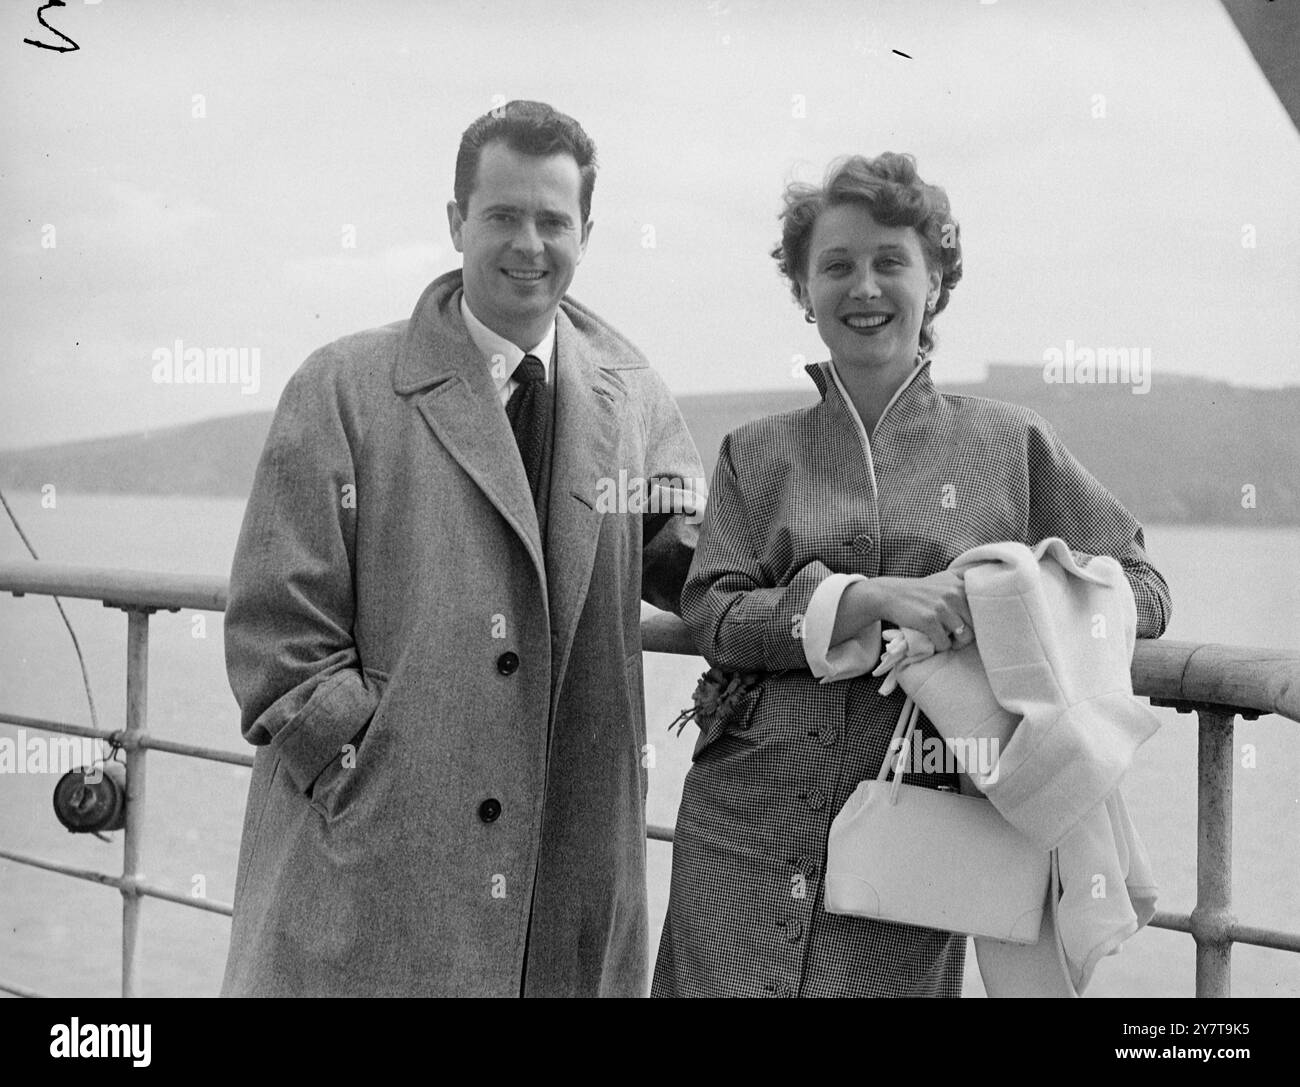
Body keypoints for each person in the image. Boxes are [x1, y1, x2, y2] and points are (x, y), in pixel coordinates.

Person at [651, 152, 1171, 998]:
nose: (865, 287)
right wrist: (865, 598)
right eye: (838, 265)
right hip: (740, 828)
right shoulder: (757, 450)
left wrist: (1009, 598)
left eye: (891, 261)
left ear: (935, 281)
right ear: (804, 289)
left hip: (919, 838)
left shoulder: (1010, 443)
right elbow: (712, 609)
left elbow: (1143, 590)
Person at [220, 100, 704, 997]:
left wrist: (842, 594)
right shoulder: (343, 386)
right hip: (381, 870)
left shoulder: (631, 396)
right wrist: (368, 770)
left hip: (562, 871)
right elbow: (274, 637)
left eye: (553, 220)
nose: (529, 242)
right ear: (455, 222)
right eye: (503, 215)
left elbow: (701, 561)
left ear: (586, 233)